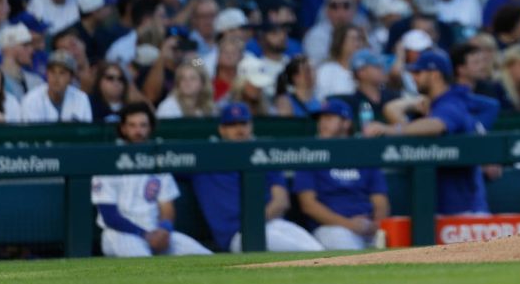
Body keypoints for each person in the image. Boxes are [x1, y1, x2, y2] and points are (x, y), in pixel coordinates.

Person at [363, 49, 489, 216]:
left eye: (418, 72)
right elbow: (391, 110)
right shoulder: (433, 106)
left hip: (465, 210)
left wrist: (390, 130)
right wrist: (413, 102)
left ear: (435, 75)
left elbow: (437, 125)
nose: (413, 77)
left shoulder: (452, 102)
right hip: (441, 207)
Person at [191, 103, 324, 252]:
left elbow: (281, 201)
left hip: (273, 222)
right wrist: (252, 225)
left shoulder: (263, 154)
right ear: (222, 129)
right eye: (232, 125)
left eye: (243, 123)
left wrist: (256, 220)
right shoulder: (206, 158)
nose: (239, 130)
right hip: (237, 234)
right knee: (301, 251)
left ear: (251, 126)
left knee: (317, 249)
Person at [90, 103, 212, 257]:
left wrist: (165, 229)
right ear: (123, 128)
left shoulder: (159, 160)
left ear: (150, 128)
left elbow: (167, 207)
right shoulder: (108, 161)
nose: (138, 131)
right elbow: (110, 216)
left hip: (156, 231)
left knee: (203, 255)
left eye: (143, 125)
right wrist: (144, 234)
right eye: (132, 125)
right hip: (120, 234)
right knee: (143, 262)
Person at [294, 99, 390, 250]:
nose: (322, 123)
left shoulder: (363, 153)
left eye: (329, 118)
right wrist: (349, 224)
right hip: (332, 227)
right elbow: (308, 205)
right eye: (321, 118)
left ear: (346, 123)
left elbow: (380, 199)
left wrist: (376, 225)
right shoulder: (310, 153)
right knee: (342, 241)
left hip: (367, 226)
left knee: (394, 242)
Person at [20, 49, 92, 123]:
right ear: (47, 74)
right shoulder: (31, 100)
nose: (56, 77)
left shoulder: (81, 98)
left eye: (62, 73)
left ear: (71, 78)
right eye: (52, 72)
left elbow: (86, 132)